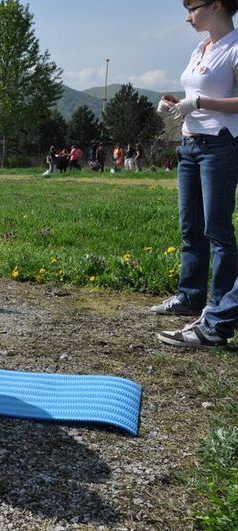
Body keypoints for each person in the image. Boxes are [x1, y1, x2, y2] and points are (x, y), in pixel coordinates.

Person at [152, 0, 238, 318]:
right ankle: (190, 297)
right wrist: (177, 104)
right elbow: (195, 95)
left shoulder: (234, 47)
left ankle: (219, 306)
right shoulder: (201, 48)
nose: (187, 18)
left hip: (219, 146)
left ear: (216, 5)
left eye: (191, 9)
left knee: (217, 229)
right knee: (191, 228)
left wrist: (200, 102)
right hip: (189, 145)